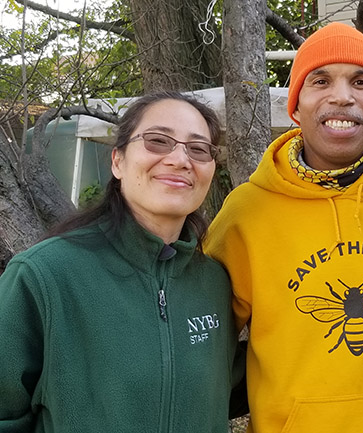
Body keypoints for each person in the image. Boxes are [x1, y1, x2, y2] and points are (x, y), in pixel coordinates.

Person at [205, 22, 363, 433]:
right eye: (320, 81)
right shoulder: (245, 213)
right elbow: (201, 338)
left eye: (361, 82)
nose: (342, 96)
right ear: (296, 105)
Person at [0, 91, 242, 433]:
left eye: (198, 149)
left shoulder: (214, 283)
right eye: (158, 141)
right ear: (117, 161)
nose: (179, 159)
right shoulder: (44, 276)